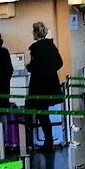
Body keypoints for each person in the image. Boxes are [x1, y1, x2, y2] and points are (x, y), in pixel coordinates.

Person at [25, 22, 64, 152]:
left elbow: (34, 66)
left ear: (36, 33)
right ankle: (49, 141)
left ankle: (46, 142)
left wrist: (29, 67)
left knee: (41, 114)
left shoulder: (36, 48)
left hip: (39, 85)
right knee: (44, 114)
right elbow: (60, 63)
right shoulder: (51, 46)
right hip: (51, 84)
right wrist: (50, 70)